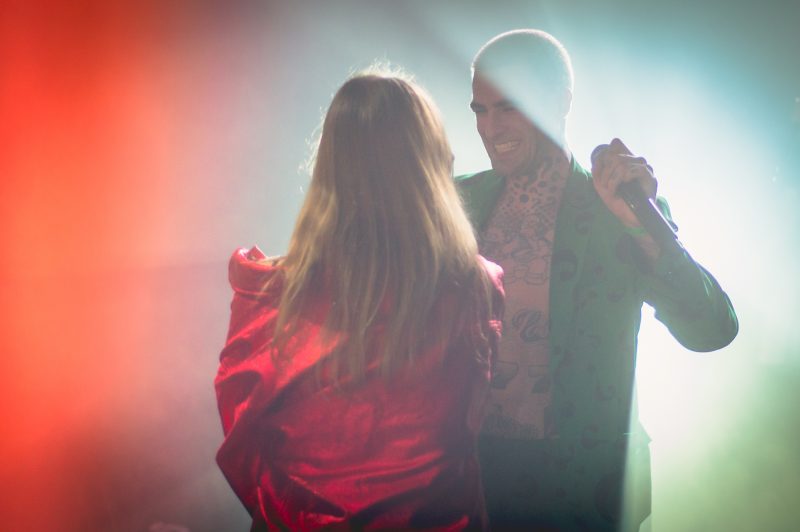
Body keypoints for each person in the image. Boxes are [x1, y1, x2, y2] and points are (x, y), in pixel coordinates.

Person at [457, 29, 738, 531]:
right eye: (480, 110)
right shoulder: (458, 202)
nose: (490, 128)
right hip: (473, 479)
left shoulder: (616, 207)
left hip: (582, 489)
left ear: (561, 101)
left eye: (509, 108)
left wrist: (641, 226)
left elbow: (713, 329)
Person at [214, 69, 505, 531]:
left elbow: (243, 448)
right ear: (430, 166)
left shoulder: (268, 297)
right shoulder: (472, 287)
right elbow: (467, 429)